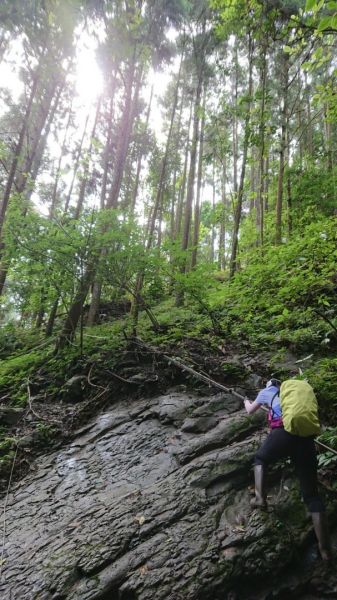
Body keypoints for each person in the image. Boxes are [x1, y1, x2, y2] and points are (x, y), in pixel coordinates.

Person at [244, 377, 331, 561]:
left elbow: (250, 411)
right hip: (306, 440)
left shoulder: (266, 392)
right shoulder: (292, 395)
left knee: (260, 458)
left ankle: (260, 499)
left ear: (269, 385)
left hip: (284, 433)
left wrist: (245, 401)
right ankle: (325, 551)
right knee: (312, 495)